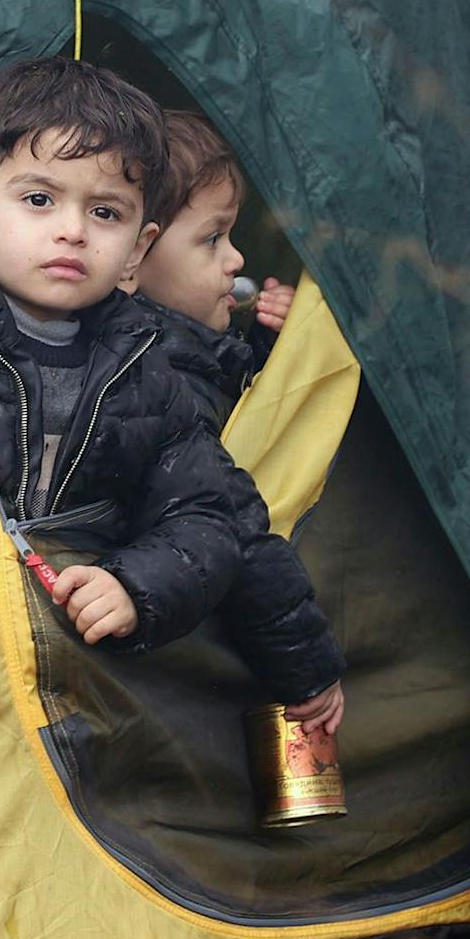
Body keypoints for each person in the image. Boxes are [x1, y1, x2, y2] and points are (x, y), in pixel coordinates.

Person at [0, 57, 344, 736]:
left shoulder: (146, 377)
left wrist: (135, 584)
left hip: (53, 694)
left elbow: (215, 520)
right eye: (40, 200)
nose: (72, 229)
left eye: (104, 212)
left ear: (137, 251)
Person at [130, 107, 344, 735]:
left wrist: (273, 353)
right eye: (211, 239)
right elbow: (231, 521)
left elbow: (229, 406)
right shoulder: (152, 377)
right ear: (134, 256)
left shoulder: (176, 348)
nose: (236, 258)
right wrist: (309, 667)